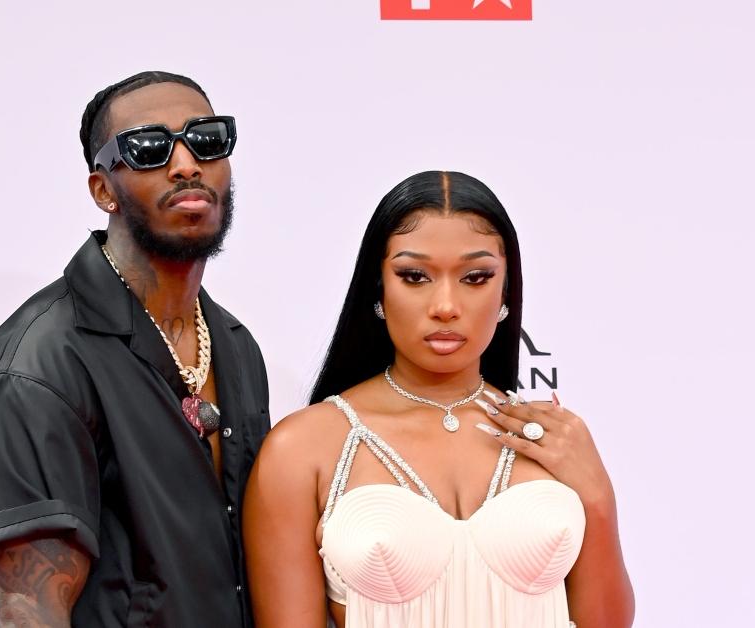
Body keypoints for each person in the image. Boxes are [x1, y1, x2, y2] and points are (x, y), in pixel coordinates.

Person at [243, 171, 634, 627]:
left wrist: (598, 495)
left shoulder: (553, 440)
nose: (445, 305)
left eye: (475, 277)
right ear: (379, 290)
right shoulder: (304, 448)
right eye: (415, 276)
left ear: (506, 291)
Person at [0, 71, 269, 628]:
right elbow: (29, 612)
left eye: (208, 140)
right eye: (149, 149)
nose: (185, 164)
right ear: (103, 190)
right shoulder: (33, 368)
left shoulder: (236, 346)